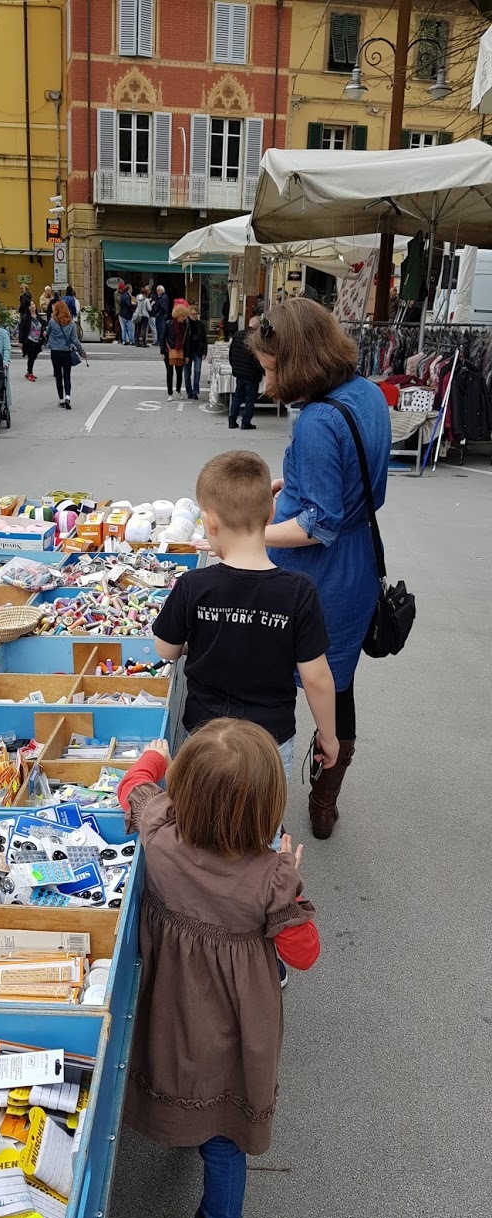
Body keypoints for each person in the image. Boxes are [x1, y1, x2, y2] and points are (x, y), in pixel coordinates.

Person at [117, 723, 320, 1218]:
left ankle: (182, 1128)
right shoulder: (271, 879)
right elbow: (304, 954)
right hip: (237, 1025)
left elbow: (133, 787)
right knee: (226, 1135)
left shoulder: (161, 832)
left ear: (183, 790)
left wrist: (154, 758)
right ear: (266, 806)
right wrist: (293, 883)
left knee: (182, 1077)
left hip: (173, 1005)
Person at [248, 297, 391, 839]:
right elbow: (362, 487)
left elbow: (317, 526)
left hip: (315, 571)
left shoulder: (316, 421)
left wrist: (249, 532)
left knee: (284, 680)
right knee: (339, 681)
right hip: (356, 565)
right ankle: (325, 801)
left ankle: (262, 805)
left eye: (270, 368)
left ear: (298, 359)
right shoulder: (369, 394)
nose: (266, 383)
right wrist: (297, 485)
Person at [153, 449, 337, 789]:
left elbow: (165, 649)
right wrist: (329, 736)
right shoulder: (299, 591)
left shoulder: (194, 585)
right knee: (260, 829)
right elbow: (317, 678)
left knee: (203, 827)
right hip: (270, 742)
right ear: (271, 514)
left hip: (205, 737)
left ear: (209, 523)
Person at [45, 298, 85, 410]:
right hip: (67, 351)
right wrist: (81, 351)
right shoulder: (71, 323)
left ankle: (61, 399)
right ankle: (68, 397)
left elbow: (48, 333)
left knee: (58, 376)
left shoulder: (52, 321)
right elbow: (75, 339)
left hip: (55, 352)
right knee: (67, 376)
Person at [228, 315, 264, 430]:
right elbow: (258, 359)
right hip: (252, 375)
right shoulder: (256, 338)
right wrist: (262, 371)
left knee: (237, 396)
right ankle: (246, 422)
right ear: (258, 326)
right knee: (250, 399)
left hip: (239, 373)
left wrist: (235, 367)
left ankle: (232, 420)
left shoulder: (238, 335)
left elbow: (231, 353)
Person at [161, 299, 188, 401]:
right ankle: (170, 393)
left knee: (179, 372)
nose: (185, 318)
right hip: (169, 350)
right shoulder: (168, 324)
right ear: (178, 315)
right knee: (169, 372)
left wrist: (187, 355)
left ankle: (178, 390)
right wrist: (162, 352)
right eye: (183, 316)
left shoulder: (185, 326)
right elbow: (163, 338)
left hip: (180, 350)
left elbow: (187, 341)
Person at [183, 304, 207, 400]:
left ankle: (195, 391)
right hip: (187, 352)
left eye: (196, 314)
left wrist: (204, 351)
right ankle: (189, 391)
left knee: (197, 371)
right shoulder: (185, 325)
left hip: (198, 351)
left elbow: (204, 339)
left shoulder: (200, 324)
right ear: (189, 314)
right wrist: (184, 354)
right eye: (192, 314)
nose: (194, 316)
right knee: (187, 374)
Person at [18, 301, 45, 381]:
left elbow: (42, 325)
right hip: (29, 340)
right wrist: (21, 341)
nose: (32, 306)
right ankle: (30, 373)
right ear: (28, 308)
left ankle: (28, 372)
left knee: (34, 356)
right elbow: (22, 329)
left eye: (33, 304)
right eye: (30, 305)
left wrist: (44, 331)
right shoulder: (25, 317)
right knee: (31, 357)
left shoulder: (38, 317)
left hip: (37, 340)